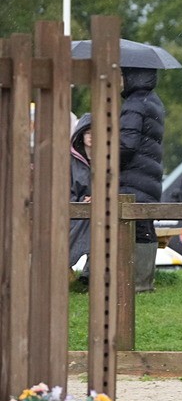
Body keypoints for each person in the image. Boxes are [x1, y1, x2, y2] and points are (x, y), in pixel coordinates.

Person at [119, 67, 166, 293]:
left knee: (135, 228)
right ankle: (143, 282)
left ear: (130, 77)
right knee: (144, 227)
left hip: (133, 176)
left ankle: (137, 284)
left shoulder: (135, 103)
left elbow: (126, 145)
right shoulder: (152, 100)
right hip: (147, 175)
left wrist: (105, 153)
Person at [68, 113, 93, 281]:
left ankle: (90, 273)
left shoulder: (109, 159)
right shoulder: (70, 161)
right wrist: (81, 201)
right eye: (89, 132)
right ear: (81, 135)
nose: (92, 137)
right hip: (74, 211)